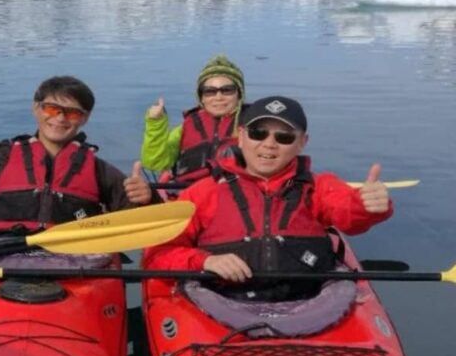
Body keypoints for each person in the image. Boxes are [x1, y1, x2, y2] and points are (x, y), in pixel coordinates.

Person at [142, 95, 393, 301]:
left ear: (302, 143)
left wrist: (367, 207)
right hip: (223, 302)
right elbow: (157, 256)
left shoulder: (319, 186)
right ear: (241, 137)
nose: (269, 144)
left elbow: (350, 217)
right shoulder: (203, 192)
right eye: (258, 133)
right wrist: (205, 260)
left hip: (311, 303)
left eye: (284, 137)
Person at [0, 75, 159, 246]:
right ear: (36, 109)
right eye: (51, 108)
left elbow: (141, 224)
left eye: (73, 112)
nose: (59, 118)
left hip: (75, 263)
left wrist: (149, 200)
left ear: (85, 119)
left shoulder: (100, 171)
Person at [141, 54, 245, 185]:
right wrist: (155, 123)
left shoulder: (253, 126)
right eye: (210, 91)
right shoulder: (185, 128)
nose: (218, 97)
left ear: (239, 94)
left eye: (227, 90)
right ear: (201, 97)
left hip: (235, 196)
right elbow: (155, 163)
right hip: (187, 194)